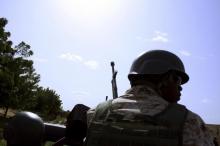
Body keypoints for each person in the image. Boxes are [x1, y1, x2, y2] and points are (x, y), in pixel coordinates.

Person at [86, 50, 214, 146]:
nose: (180, 88)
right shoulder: (190, 123)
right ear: (166, 79)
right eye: (178, 80)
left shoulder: (95, 114)